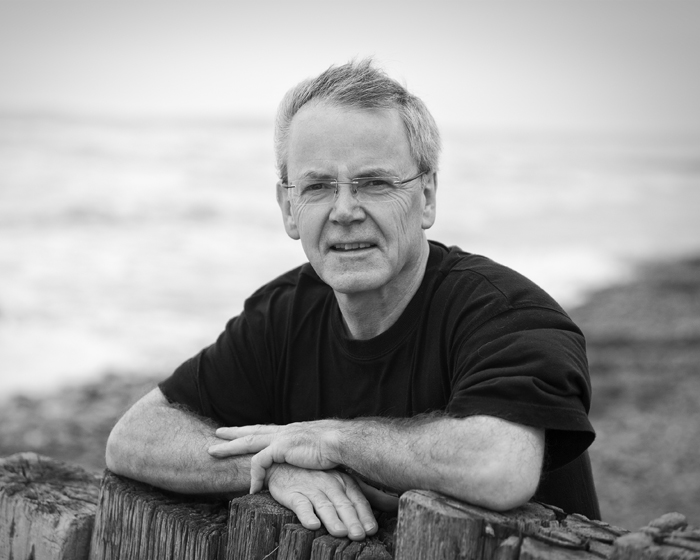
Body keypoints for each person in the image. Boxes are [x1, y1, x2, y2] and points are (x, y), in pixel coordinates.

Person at [106, 59, 600, 542]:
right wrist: (271, 467)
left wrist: (332, 440)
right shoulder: (283, 314)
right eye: (318, 186)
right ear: (289, 208)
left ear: (427, 197)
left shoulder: (508, 314)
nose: (344, 211)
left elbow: (499, 467)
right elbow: (135, 436)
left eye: (375, 183)